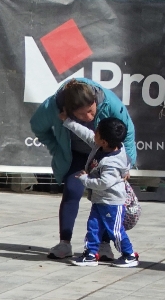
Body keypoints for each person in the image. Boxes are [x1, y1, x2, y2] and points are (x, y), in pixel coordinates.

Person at [31, 77, 138, 259]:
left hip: (106, 155)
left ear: (95, 101)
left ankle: (104, 245)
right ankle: (64, 243)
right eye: (81, 114)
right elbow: (37, 126)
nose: (88, 117)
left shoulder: (110, 102)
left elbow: (128, 132)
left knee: (108, 199)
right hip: (77, 154)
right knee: (72, 191)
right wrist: (56, 148)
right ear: (68, 110)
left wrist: (126, 164)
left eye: (90, 111)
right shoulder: (53, 106)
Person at [71, 117, 139, 268]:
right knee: (93, 227)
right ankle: (90, 254)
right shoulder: (101, 146)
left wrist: (85, 179)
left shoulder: (112, 163)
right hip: (99, 200)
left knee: (115, 231)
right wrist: (69, 122)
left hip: (112, 202)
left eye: (97, 132)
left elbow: (103, 183)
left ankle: (129, 255)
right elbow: (86, 134)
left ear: (104, 142)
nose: (93, 133)